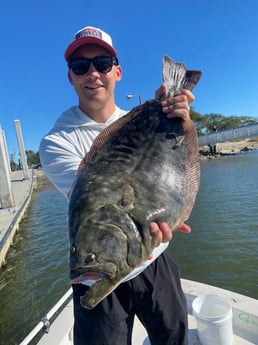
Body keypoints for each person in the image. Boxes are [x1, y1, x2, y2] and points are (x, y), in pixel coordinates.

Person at [39, 26, 195, 345]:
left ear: (118, 71)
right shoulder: (56, 142)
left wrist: (183, 124)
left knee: (175, 336)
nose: (92, 73)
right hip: (98, 269)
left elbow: (163, 176)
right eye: (80, 66)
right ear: (71, 77)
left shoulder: (139, 117)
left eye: (102, 63)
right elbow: (96, 201)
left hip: (155, 260)